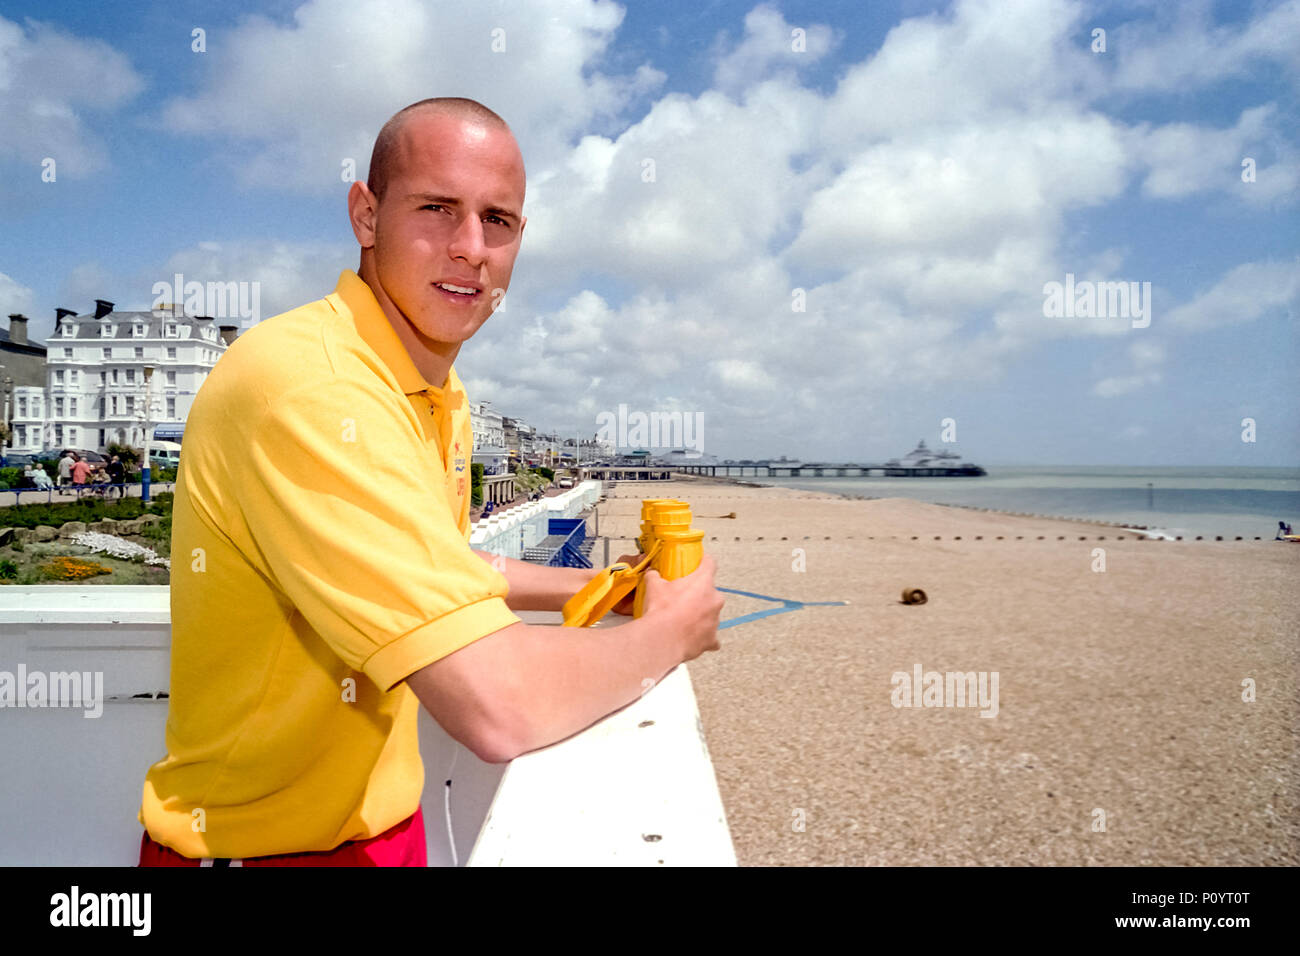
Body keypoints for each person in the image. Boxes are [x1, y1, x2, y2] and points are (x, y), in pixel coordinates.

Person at [138, 97, 723, 867]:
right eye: (437, 208)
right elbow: (497, 705)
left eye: (499, 220)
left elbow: (445, 565)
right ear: (366, 214)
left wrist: (607, 583)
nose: (471, 248)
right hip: (262, 851)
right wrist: (668, 635)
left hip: (382, 829)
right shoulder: (313, 387)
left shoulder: (428, 391)